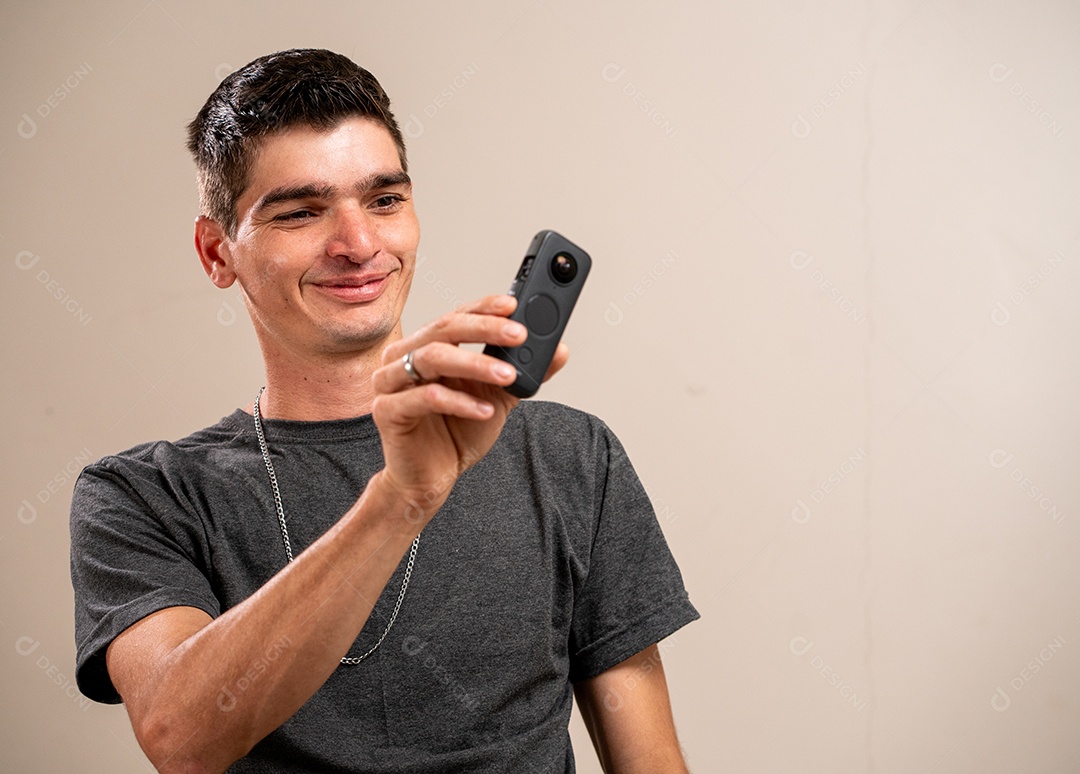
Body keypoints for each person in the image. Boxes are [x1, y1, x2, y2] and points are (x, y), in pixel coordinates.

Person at [70, 48, 698, 773]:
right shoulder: (141, 496)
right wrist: (403, 496)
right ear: (218, 253)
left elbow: (650, 760)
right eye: (301, 212)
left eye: (384, 200)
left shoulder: (571, 456)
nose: (359, 245)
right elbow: (181, 738)